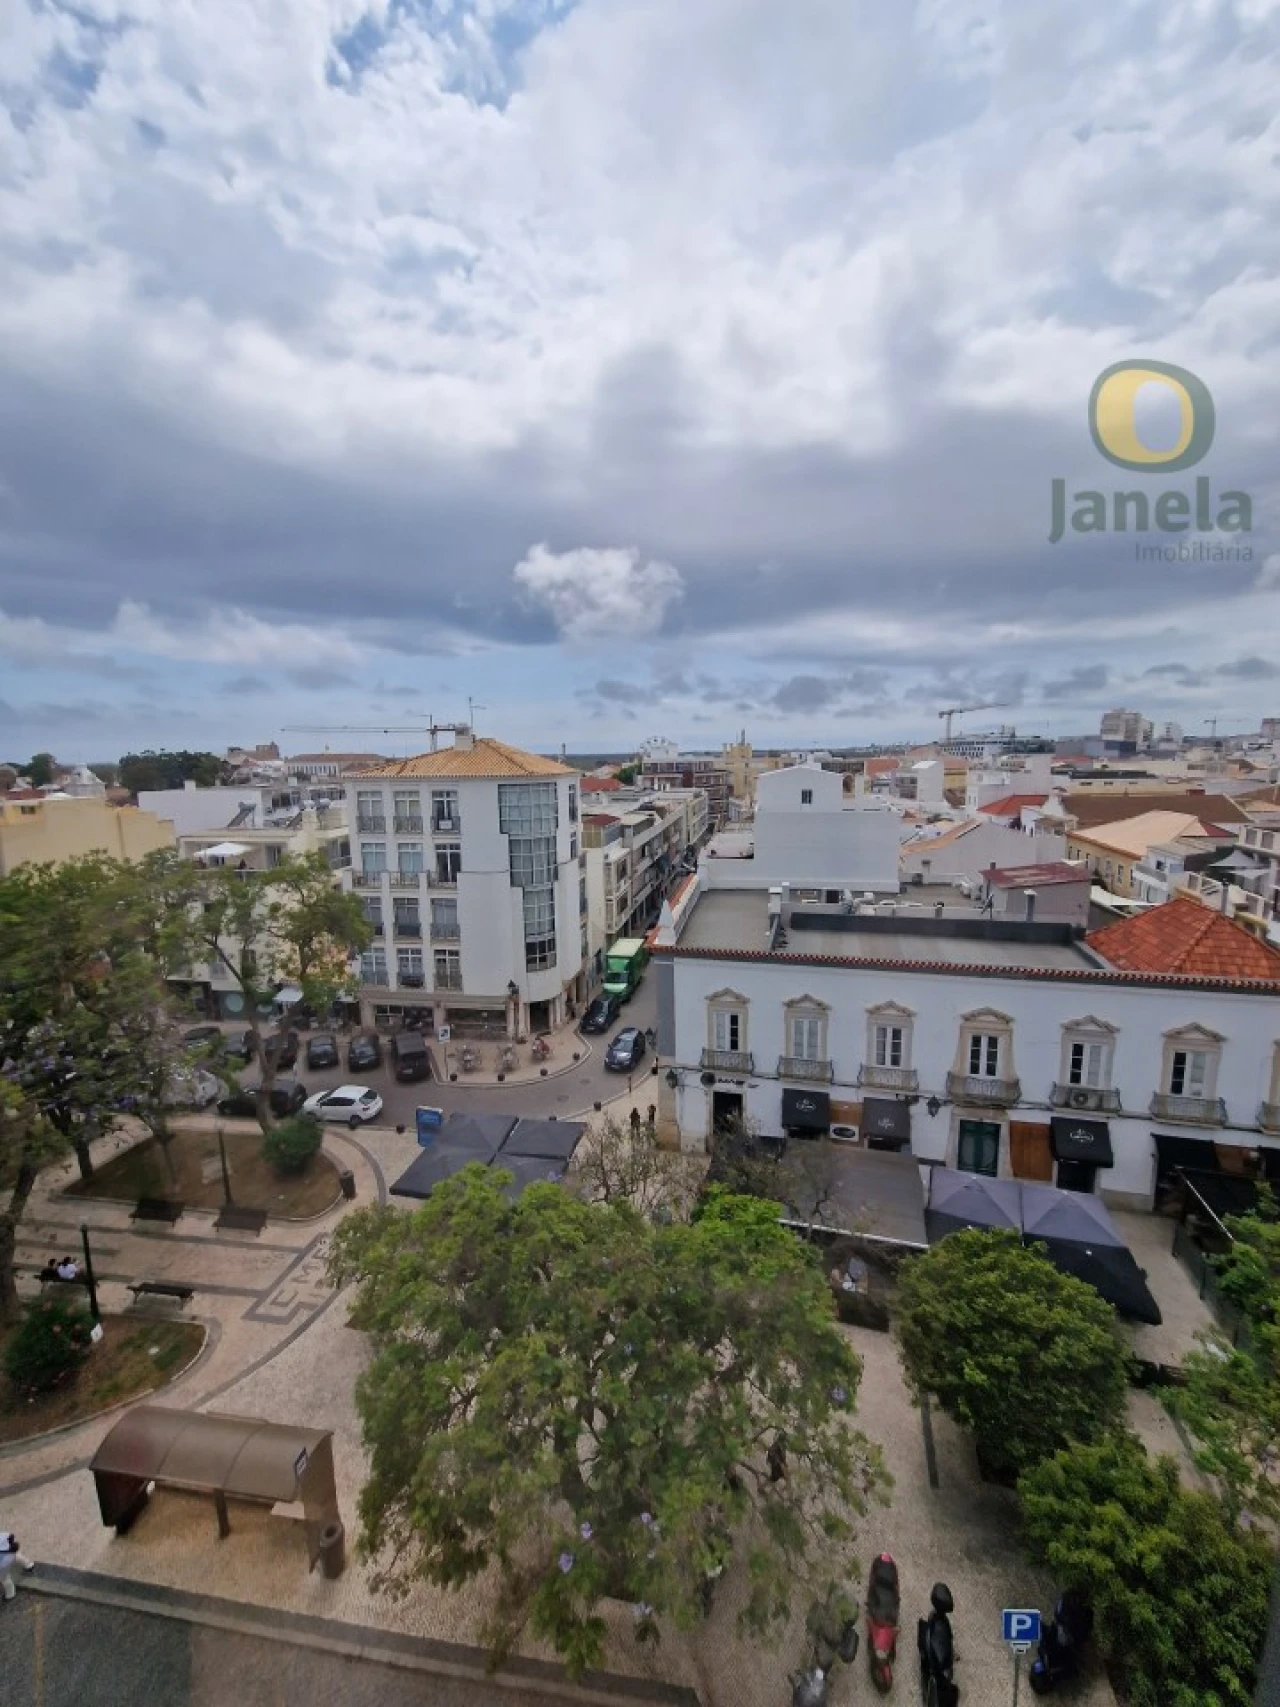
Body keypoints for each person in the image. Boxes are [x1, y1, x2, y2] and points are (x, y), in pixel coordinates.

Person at [0, 1531, 35, 1600]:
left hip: (3, 1563)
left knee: (4, 1578)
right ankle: (29, 1565)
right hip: (10, 1552)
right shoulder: (3, 1537)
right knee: (16, 1556)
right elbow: (9, 1536)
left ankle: (10, 1594)